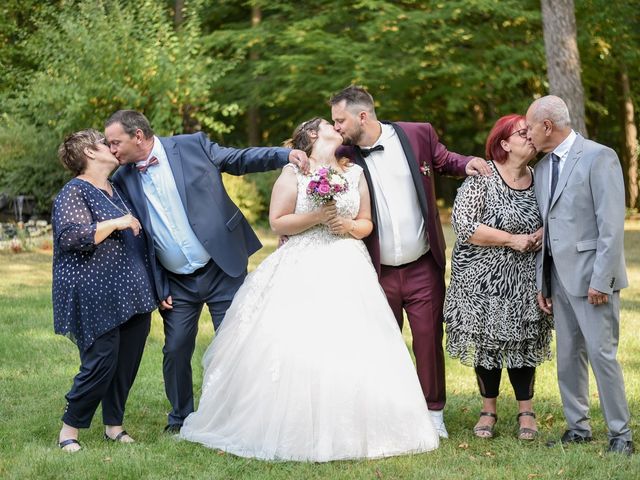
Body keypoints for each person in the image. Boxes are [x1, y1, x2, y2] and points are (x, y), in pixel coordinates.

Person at [179, 118, 439, 461]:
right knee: (301, 340)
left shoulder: (355, 172)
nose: (336, 125)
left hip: (348, 260)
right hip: (302, 261)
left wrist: (346, 225)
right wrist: (316, 218)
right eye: (328, 123)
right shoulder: (294, 171)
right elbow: (277, 221)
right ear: (313, 134)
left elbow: (366, 222)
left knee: (355, 342)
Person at [106, 111, 309, 433]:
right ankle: (180, 418)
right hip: (176, 282)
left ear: (139, 136)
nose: (112, 149)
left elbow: (239, 159)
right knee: (175, 349)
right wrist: (158, 286)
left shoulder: (191, 145)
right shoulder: (121, 180)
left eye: (116, 142)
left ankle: (243, 413)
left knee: (237, 343)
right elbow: (137, 243)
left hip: (221, 267)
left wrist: (285, 154)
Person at [329, 85, 491, 437]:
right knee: (379, 343)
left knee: (428, 340)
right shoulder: (342, 154)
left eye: (340, 120)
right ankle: (386, 413)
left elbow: (446, 160)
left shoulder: (418, 133)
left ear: (362, 115)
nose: (337, 127)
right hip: (376, 269)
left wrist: (468, 163)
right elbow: (309, 162)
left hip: (422, 264)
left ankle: (434, 413)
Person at [527, 95, 633, 455]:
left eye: (529, 128)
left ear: (547, 126)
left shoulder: (598, 157)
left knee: (602, 355)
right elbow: (549, 225)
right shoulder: (541, 169)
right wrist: (545, 281)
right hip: (558, 279)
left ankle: (621, 434)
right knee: (569, 356)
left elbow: (610, 226)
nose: (527, 135)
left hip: (593, 279)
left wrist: (602, 280)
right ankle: (578, 427)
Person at [443, 114, 553, 440]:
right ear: (504, 143)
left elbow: (559, 212)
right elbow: (465, 225)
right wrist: (512, 239)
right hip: (480, 279)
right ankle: (488, 409)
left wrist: (541, 233)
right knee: (488, 346)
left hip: (524, 278)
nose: (531, 136)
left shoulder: (541, 177)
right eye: (523, 132)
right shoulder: (483, 178)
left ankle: (526, 411)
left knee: (523, 342)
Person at [52, 129, 157, 452]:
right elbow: (70, 236)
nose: (112, 148)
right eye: (104, 144)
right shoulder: (74, 192)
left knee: (125, 363)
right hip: (94, 292)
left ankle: (114, 426)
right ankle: (69, 429)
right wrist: (116, 223)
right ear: (89, 153)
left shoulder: (115, 188)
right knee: (101, 362)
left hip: (132, 292)